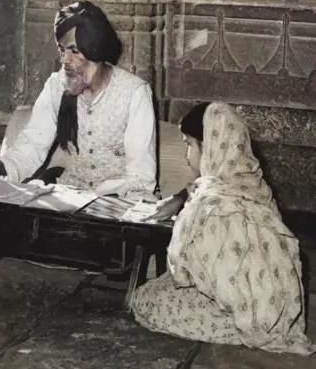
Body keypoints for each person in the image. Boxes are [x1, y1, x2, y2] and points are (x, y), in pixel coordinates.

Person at [132, 102, 315, 355]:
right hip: (278, 302)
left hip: (244, 310)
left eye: (188, 145)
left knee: (145, 299)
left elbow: (184, 272)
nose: (187, 156)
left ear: (209, 148)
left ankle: (245, 329)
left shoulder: (213, 203)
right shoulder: (252, 181)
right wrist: (181, 200)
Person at [0, 0, 157, 198]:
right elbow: (32, 146)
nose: (65, 60)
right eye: (62, 50)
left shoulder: (134, 93)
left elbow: (140, 177)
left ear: (95, 49)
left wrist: (94, 197)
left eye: (74, 50)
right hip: (68, 197)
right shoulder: (56, 86)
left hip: (118, 200)